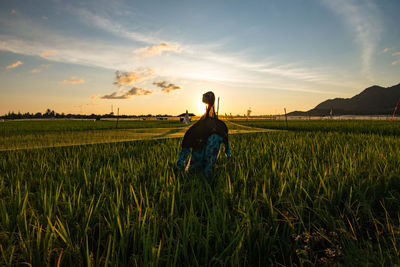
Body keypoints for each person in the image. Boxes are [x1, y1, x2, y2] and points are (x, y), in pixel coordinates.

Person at [177, 91, 231, 180]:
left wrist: (182, 158)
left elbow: (188, 136)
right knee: (206, 164)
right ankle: (204, 178)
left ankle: (205, 180)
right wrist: (227, 151)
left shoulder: (215, 125)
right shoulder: (219, 125)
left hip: (209, 144)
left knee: (207, 163)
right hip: (205, 145)